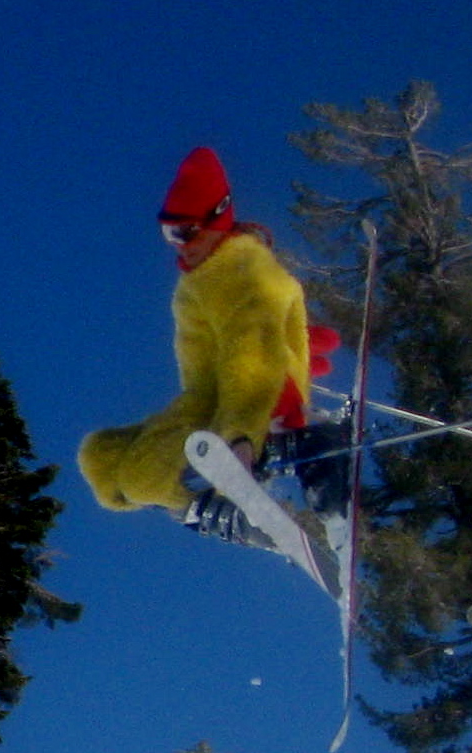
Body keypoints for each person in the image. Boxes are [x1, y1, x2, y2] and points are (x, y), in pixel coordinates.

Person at [78, 145, 319, 517]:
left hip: (257, 406)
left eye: (186, 231)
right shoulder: (199, 282)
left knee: (142, 478)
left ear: (218, 217)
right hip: (211, 400)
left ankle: (224, 497)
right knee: (101, 455)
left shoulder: (242, 272)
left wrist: (241, 436)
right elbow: (208, 380)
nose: (179, 246)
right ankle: (203, 499)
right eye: (169, 234)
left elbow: (253, 355)